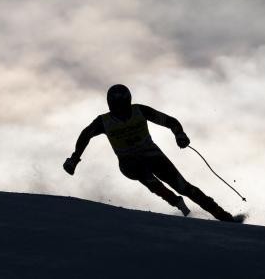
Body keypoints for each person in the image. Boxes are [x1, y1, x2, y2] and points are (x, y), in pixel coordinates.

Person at [63, 84, 244, 222]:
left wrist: (179, 134)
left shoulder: (139, 111)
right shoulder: (104, 121)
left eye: (124, 106)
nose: (121, 111)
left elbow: (170, 121)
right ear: (111, 106)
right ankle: (175, 201)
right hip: (129, 162)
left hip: (153, 156)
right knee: (141, 173)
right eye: (117, 107)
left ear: (129, 102)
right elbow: (85, 135)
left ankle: (224, 217)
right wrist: (74, 158)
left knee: (184, 186)